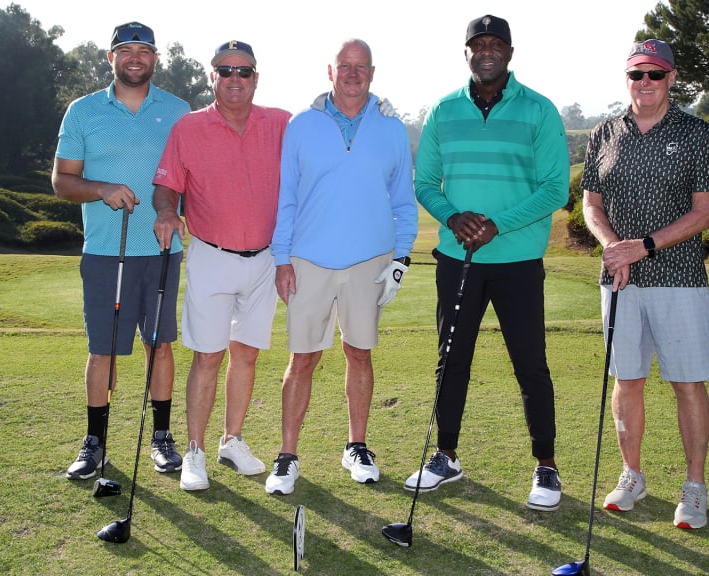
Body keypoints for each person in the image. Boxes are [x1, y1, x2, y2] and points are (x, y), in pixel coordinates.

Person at [408, 14, 570, 512]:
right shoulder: (442, 110)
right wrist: (454, 218)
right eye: (477, 44)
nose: (486, 50)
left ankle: (546, 465)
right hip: (458, 259)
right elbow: (425, 183)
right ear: (466, 53)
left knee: (530, 364)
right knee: (451, 361)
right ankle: (446, 456)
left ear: (510, 51)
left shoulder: (539, 110)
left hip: (517, 260)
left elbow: (554, 190)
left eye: (496, 43)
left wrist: (496, 223)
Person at [581, 39, 709, 530]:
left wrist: (640, 246)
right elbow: (591, 205)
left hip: (679, 278)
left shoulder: (697, 134)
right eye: (637, 74)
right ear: (627, 78)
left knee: (687, 382)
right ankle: (632, 475)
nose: (646, 83)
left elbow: (703, 213)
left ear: (672, 78)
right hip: (619, 279)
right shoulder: (603, 133)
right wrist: (612, 245)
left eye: (656, 75)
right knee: (628, 380)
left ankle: (694, 486)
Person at [265, 38, 417, 496]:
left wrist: (402, 259)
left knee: (359, 353)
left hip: (368, 260)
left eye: (361, 67)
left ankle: (357, 446)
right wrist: (281, 258)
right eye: (344, 66)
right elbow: (286, 197)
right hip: (309, 259)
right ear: (330, 72)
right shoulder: (301, 125)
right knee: (303, 358)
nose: (353, 73)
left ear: (372, 73)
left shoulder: (391, 128)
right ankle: (288, 455)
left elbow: (403, 202)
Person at [152, 40, 291, 491]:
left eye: (244, 71)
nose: (235, 79)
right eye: (225, 70)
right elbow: (167, 185)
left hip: (265, 259)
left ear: (256, 77)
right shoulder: (188, 128)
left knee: (246, 354)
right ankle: (194, 450)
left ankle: (231, 439)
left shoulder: (282, 124)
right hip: (211, 255)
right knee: (208, 355)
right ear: (212, 77)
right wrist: (168, 211)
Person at [53, 22, 189, 481]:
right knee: (103, 350)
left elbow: (191, 177)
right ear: (109, 58)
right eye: (125, 50)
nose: (135, 57)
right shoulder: (83, 111)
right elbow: (62, 180)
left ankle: (162, 438)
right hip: (105, 252)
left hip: (161, 250)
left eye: (144, 50)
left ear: (155, 58)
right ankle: (95, 443)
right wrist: (101, 188)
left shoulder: (178, 110)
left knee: (160, 344)